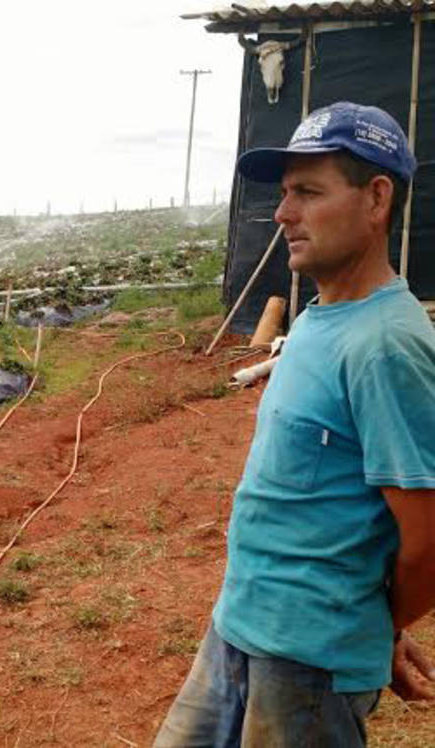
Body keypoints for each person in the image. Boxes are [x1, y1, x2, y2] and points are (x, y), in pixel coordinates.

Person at [154, 101, 435, 747]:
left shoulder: (386, 344)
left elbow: (427, 539)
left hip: (307, 663)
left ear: (377, 198)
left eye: (308, 192)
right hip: (239, 625)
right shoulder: (314, 320)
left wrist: (377, 629)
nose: (283, 214)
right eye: (284, 195)